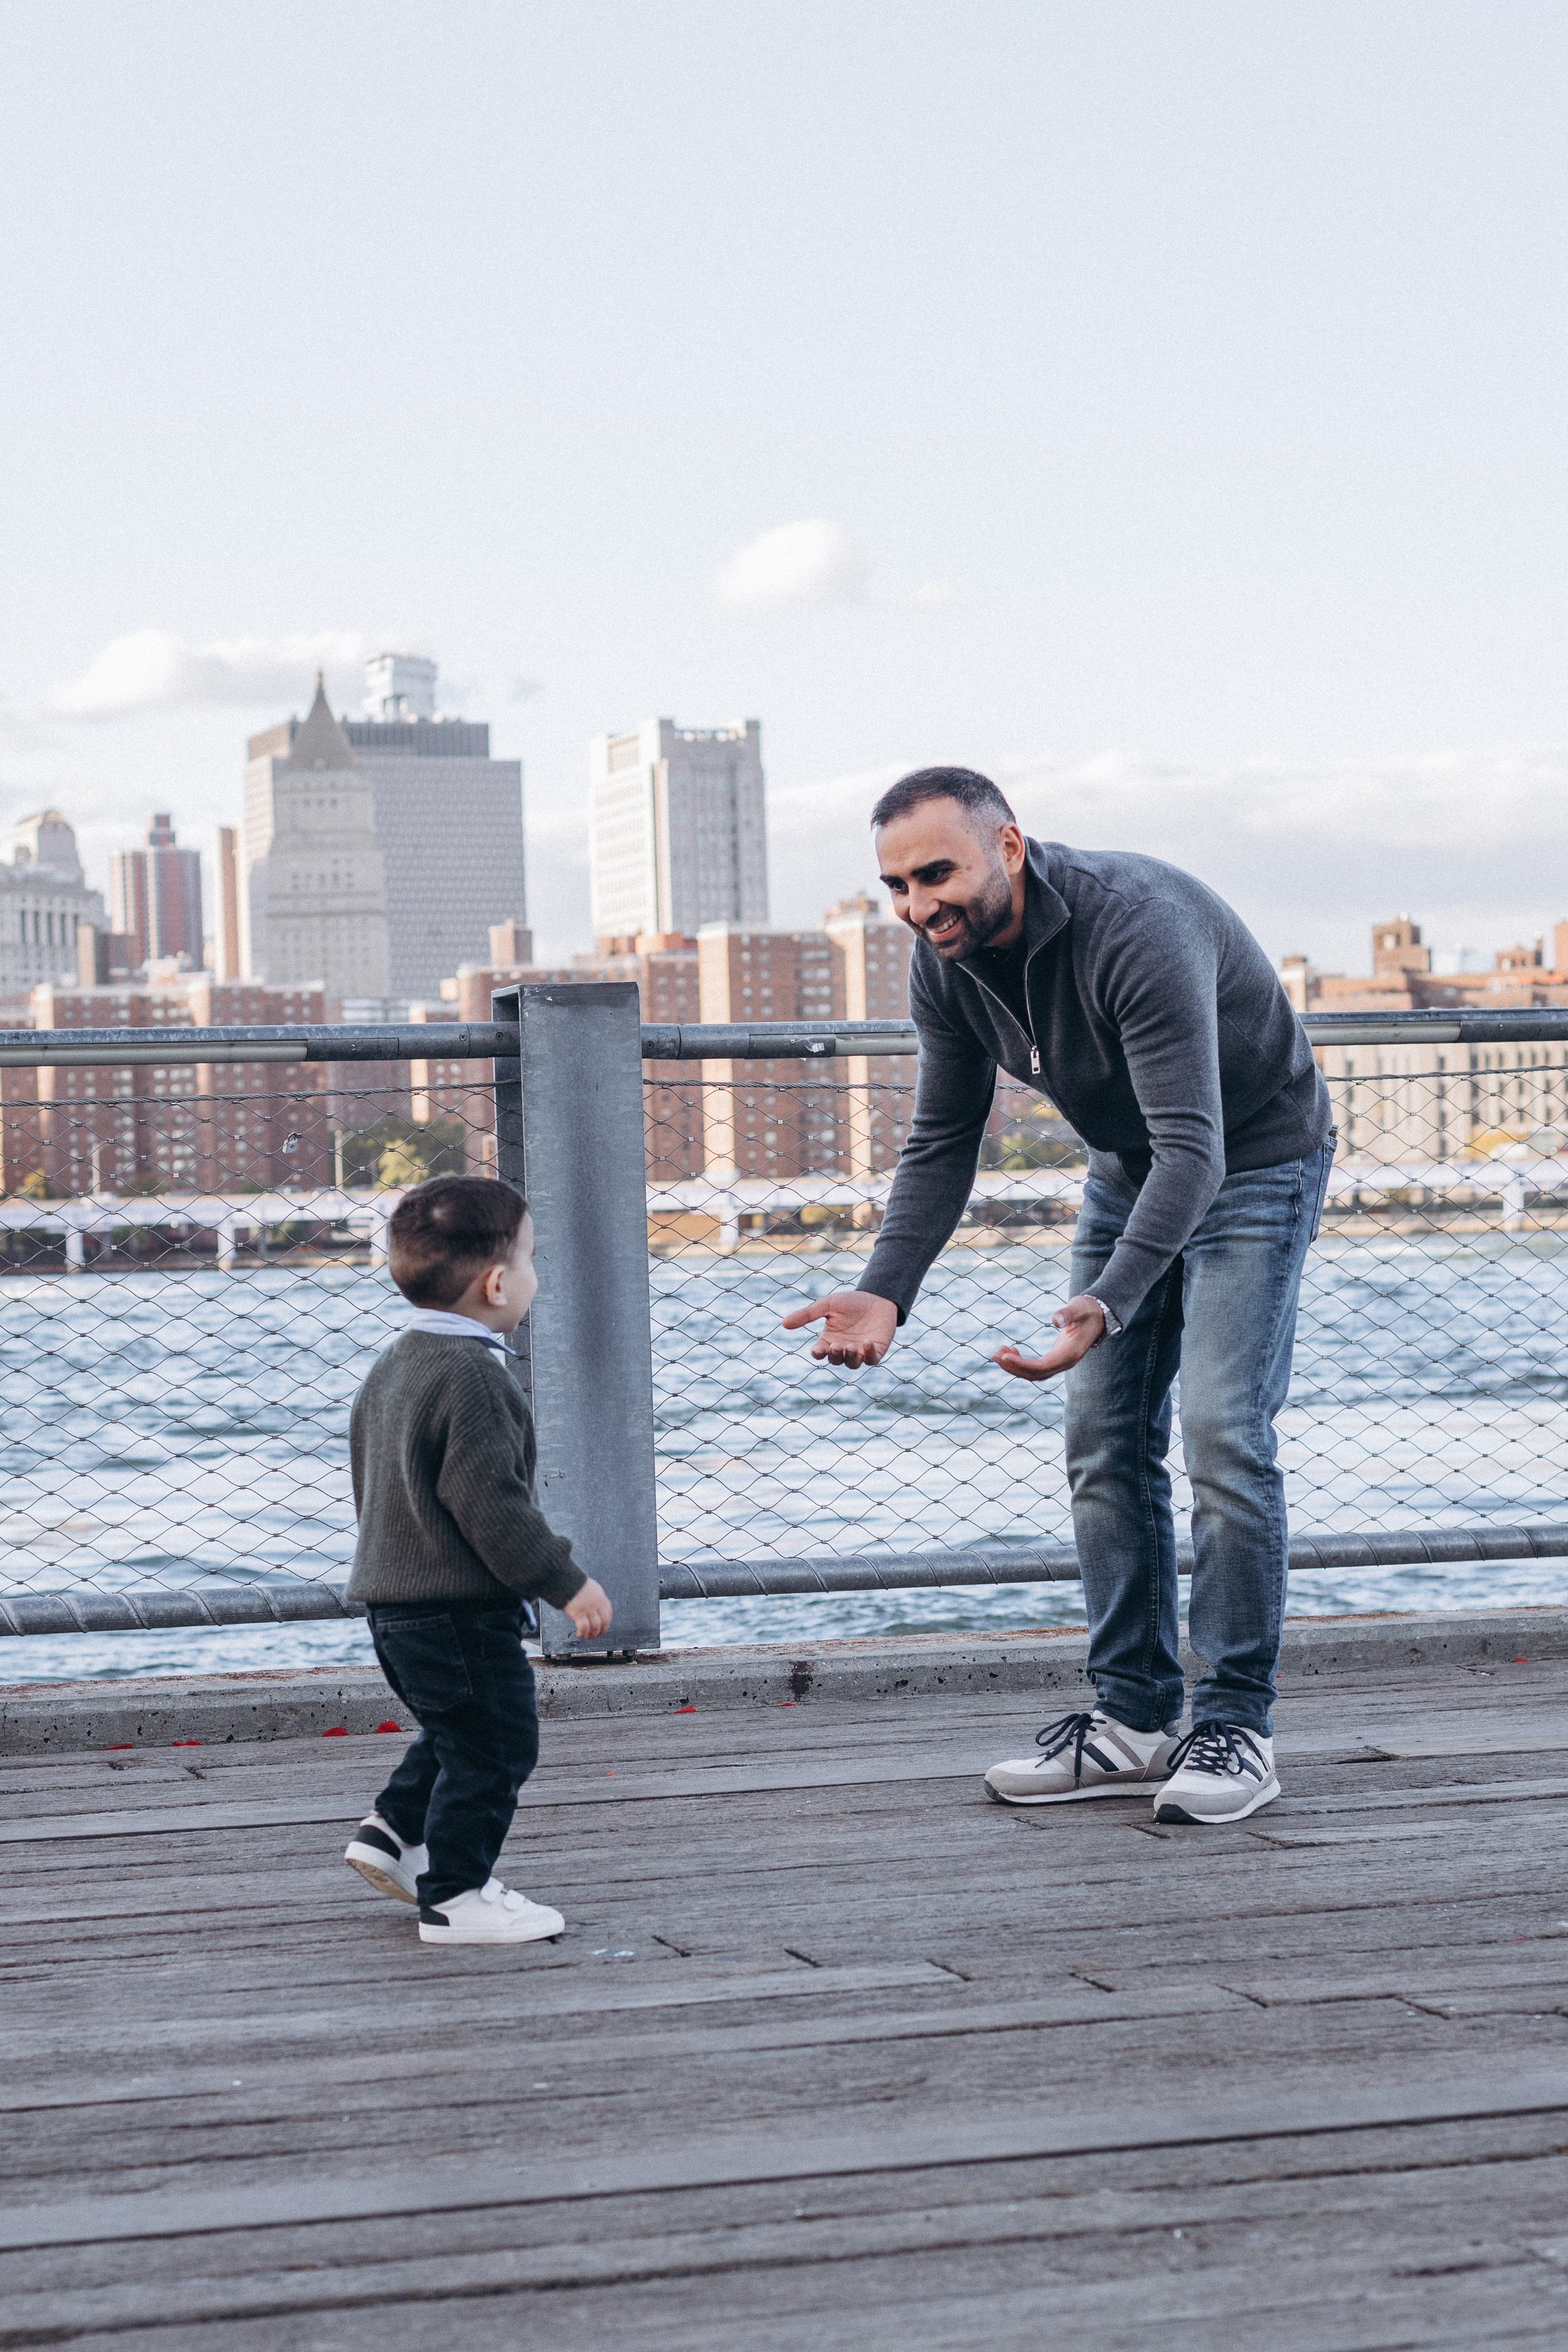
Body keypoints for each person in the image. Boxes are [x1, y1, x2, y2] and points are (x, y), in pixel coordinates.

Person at [784, 768, 1333, 1825]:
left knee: (1221, 1431)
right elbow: (943, 1140)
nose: (917, 904)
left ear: (1012, 848)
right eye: (896, 884)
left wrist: (1112, 1298)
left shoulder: (1138, 928)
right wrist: (887, 1290)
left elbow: (1197, 1147)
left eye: (937, 873)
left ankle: (1235, 1728)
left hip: (1255, 1158)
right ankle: (1132, 1719)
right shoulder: (943, 963)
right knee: (1102, 1435)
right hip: (1132, 1167)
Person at [342, 1174, 612, 1943]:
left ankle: (393, 1833)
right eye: (531, 1258)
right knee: (497, 1745)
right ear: (498, 1282)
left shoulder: (397, 1365)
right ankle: (456, 1898)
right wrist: (566, 1582)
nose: (534, 1275)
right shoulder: (474, 1377)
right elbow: (492, 1505)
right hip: (457, 1606)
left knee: (460, 1726)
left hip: (397, 1605)